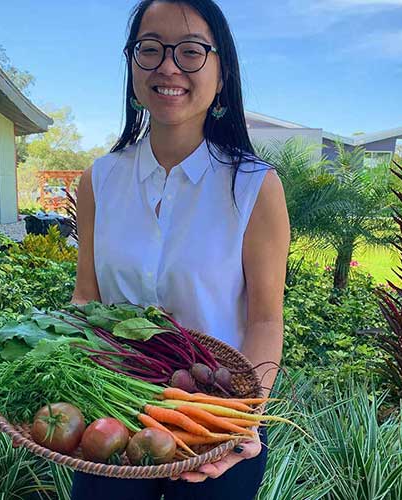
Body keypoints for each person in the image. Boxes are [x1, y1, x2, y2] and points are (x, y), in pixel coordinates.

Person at [70, 0, 290, 498]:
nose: (168, 66)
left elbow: (264, 321)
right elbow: (87, 298)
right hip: (114, 415)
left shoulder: (255, 187)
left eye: (191, 51)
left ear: (222, 71)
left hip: (212, 417)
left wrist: (240, 422)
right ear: (132, 65)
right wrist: (67, 367)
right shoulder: (99, 180)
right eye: (150, 49)